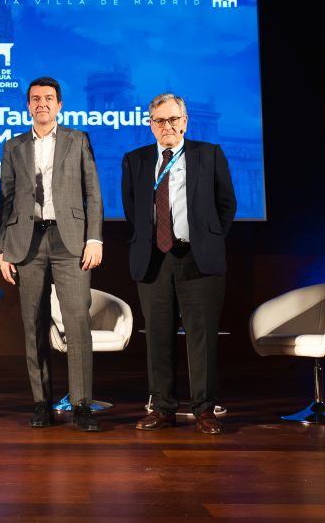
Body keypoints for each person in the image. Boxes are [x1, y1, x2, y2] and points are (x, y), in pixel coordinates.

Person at [120, 93, 236, 434]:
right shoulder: (135, 159)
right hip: (154, 260)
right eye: (159, 121)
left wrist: (207, 237)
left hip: (198, 258)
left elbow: (226, 204)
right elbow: (133, 209)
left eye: (173, 120)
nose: (167, 126)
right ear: (150, 124)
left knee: (201, 337)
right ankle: (163, 409)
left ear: (184, 122)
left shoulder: (208, 154)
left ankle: (203, 410)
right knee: (158, 338)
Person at [0, 77, 104, 432]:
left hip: (70, 239)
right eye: (35, 98)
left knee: (76, 323)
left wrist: (95, 238)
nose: (42, 103)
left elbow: (93, 193)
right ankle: (41, 402)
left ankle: (82, 404)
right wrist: (3, 248)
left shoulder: (78, 139)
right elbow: (6, 202)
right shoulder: (13, 146)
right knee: (33, 324)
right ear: (28, 105)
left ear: (59, 105)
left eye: (48, 98)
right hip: (27, 242)